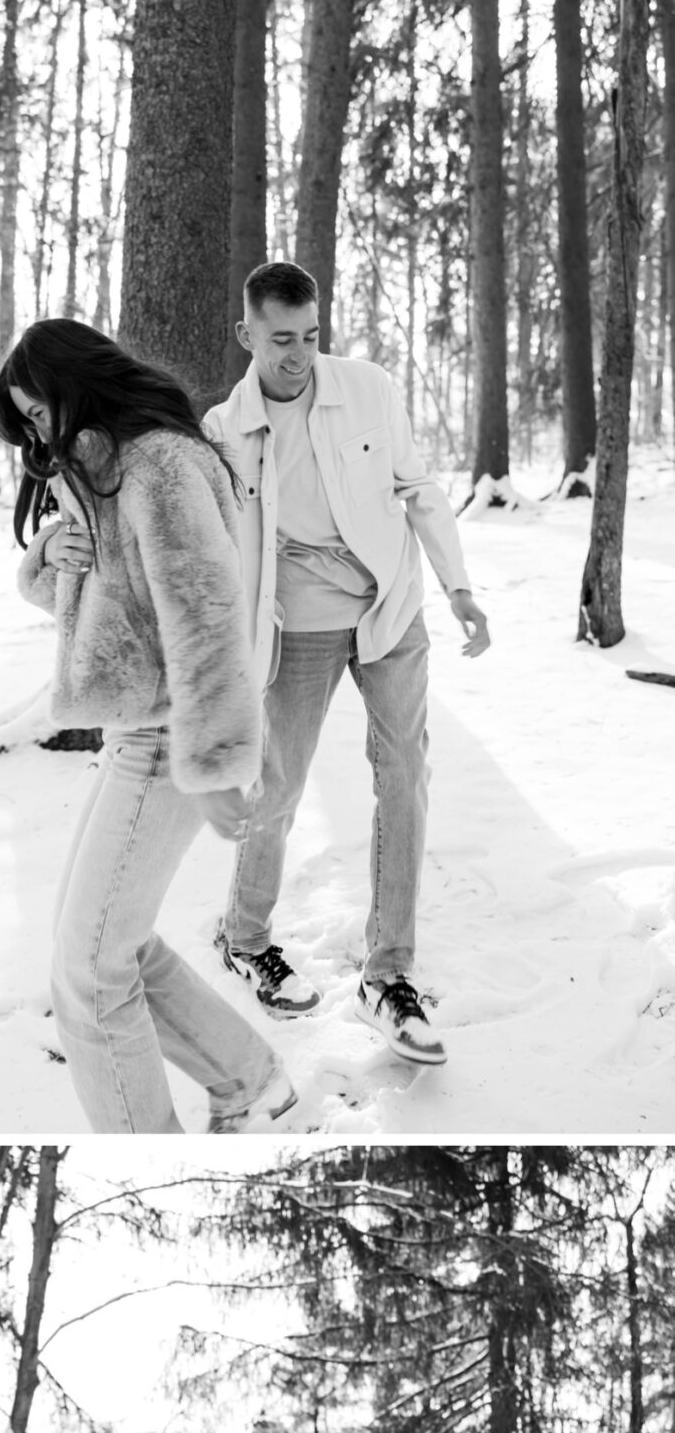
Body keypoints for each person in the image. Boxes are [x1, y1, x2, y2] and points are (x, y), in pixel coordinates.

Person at [0, 320, 291, 1134]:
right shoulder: (105, 471)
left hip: (167, 740)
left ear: (76, 385)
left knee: (88, 972)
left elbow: (205, 615)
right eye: (23, 420)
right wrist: (52, 561)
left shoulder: (157, 464)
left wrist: (221, 759)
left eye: (37, 410)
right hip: (136, 737)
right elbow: (114, 612)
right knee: (98, 947)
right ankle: (249, 1079)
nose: (35, 432)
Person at [205, 261, 492, 1066]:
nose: (296, 356)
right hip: (294, 626)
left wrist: (458, 586)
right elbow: (211, 544)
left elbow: (417, 487)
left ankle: (388, 973)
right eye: (278, 341)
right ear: (246, 336)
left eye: (308, 337)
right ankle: (245, 935)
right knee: (279, 782)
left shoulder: (368, 388)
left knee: (403, 776)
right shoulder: (225, 430)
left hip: (390, 610)